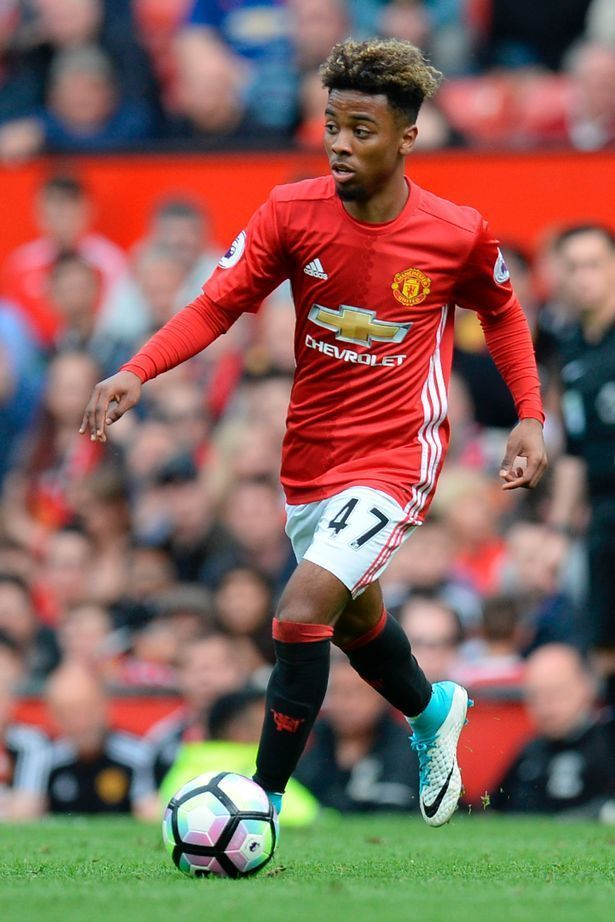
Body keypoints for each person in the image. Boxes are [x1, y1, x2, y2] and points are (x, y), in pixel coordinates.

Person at [81, 38, 547, 833]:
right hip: (311, 455)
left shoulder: (453, 232)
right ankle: (433, 710)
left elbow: (499, 312)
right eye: (331, 123)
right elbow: (216, 303)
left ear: (406, 137)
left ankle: (259, 801)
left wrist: (529, 417)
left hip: (400, 452)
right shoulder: (290, 211)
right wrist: (138, 369)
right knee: (356, 620)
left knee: (300, 611)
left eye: (360, 128)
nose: (338, 141)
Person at [547, 225, 615, 710]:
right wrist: (557, 527)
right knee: (604, 644)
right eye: (574, 267)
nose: (584, 277)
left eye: (595, 264)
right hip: (602, 515)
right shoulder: (569, 350)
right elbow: (572, 449)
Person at [490, 645, 614, 817]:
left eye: (556, 693)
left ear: (587, 687)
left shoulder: (607, 743)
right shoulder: (530, 751)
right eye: (535, 696)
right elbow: (493, 812)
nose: (545, 706)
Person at [295, 653, 420, 812]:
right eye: (336, 692)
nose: (345, 704)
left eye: (357, 693)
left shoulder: (404, 745)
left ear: (383, 697)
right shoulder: (311, 738)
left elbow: (395, 804)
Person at [44, 664, 154, 816]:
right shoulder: (47, 761)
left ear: (105, 707)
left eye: (87, 709)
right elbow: (25, 818)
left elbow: (149, 815)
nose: (81, 722)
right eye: (69, 713)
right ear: (54, 718)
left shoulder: (136, 756)